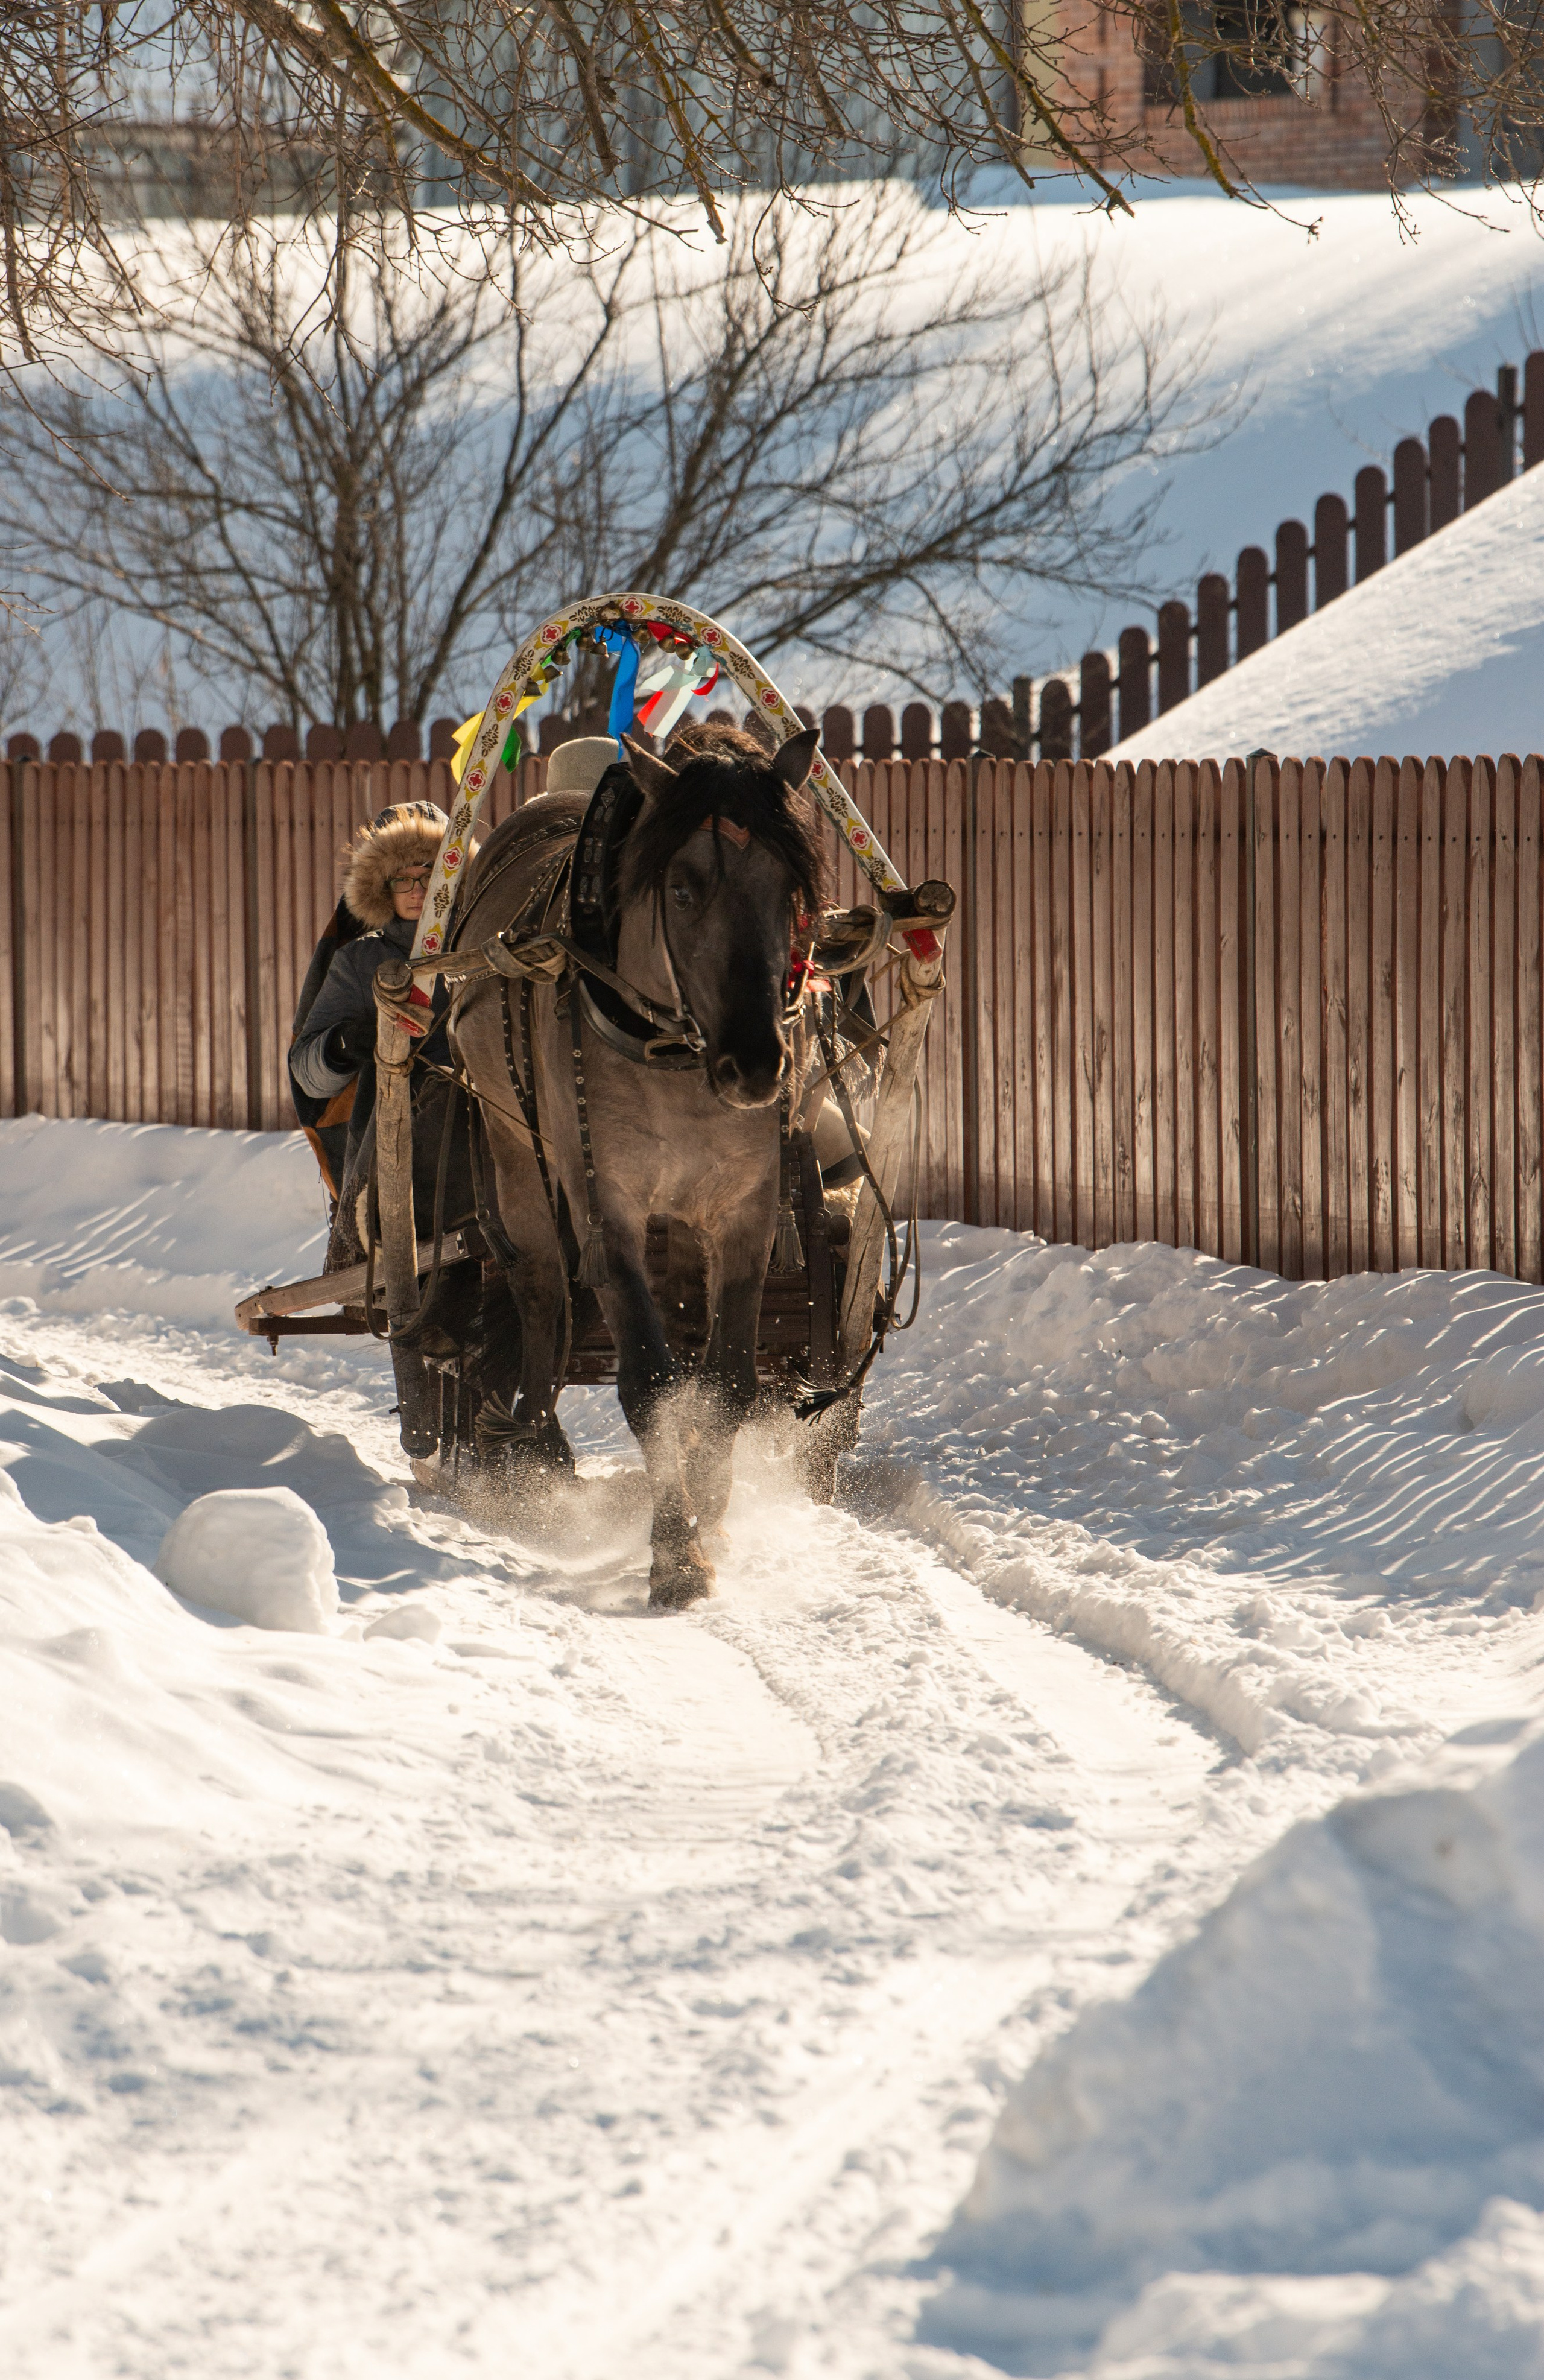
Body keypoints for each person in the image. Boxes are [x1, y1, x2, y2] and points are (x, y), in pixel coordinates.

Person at [289, 800, 453, 1201]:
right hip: (398, 1152)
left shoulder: (489, 945)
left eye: (429, 875)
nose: (417, 891)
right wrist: (343, 1044)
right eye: (402, 879)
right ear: (382, 888)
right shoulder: (360, 960)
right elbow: (306, 1074)